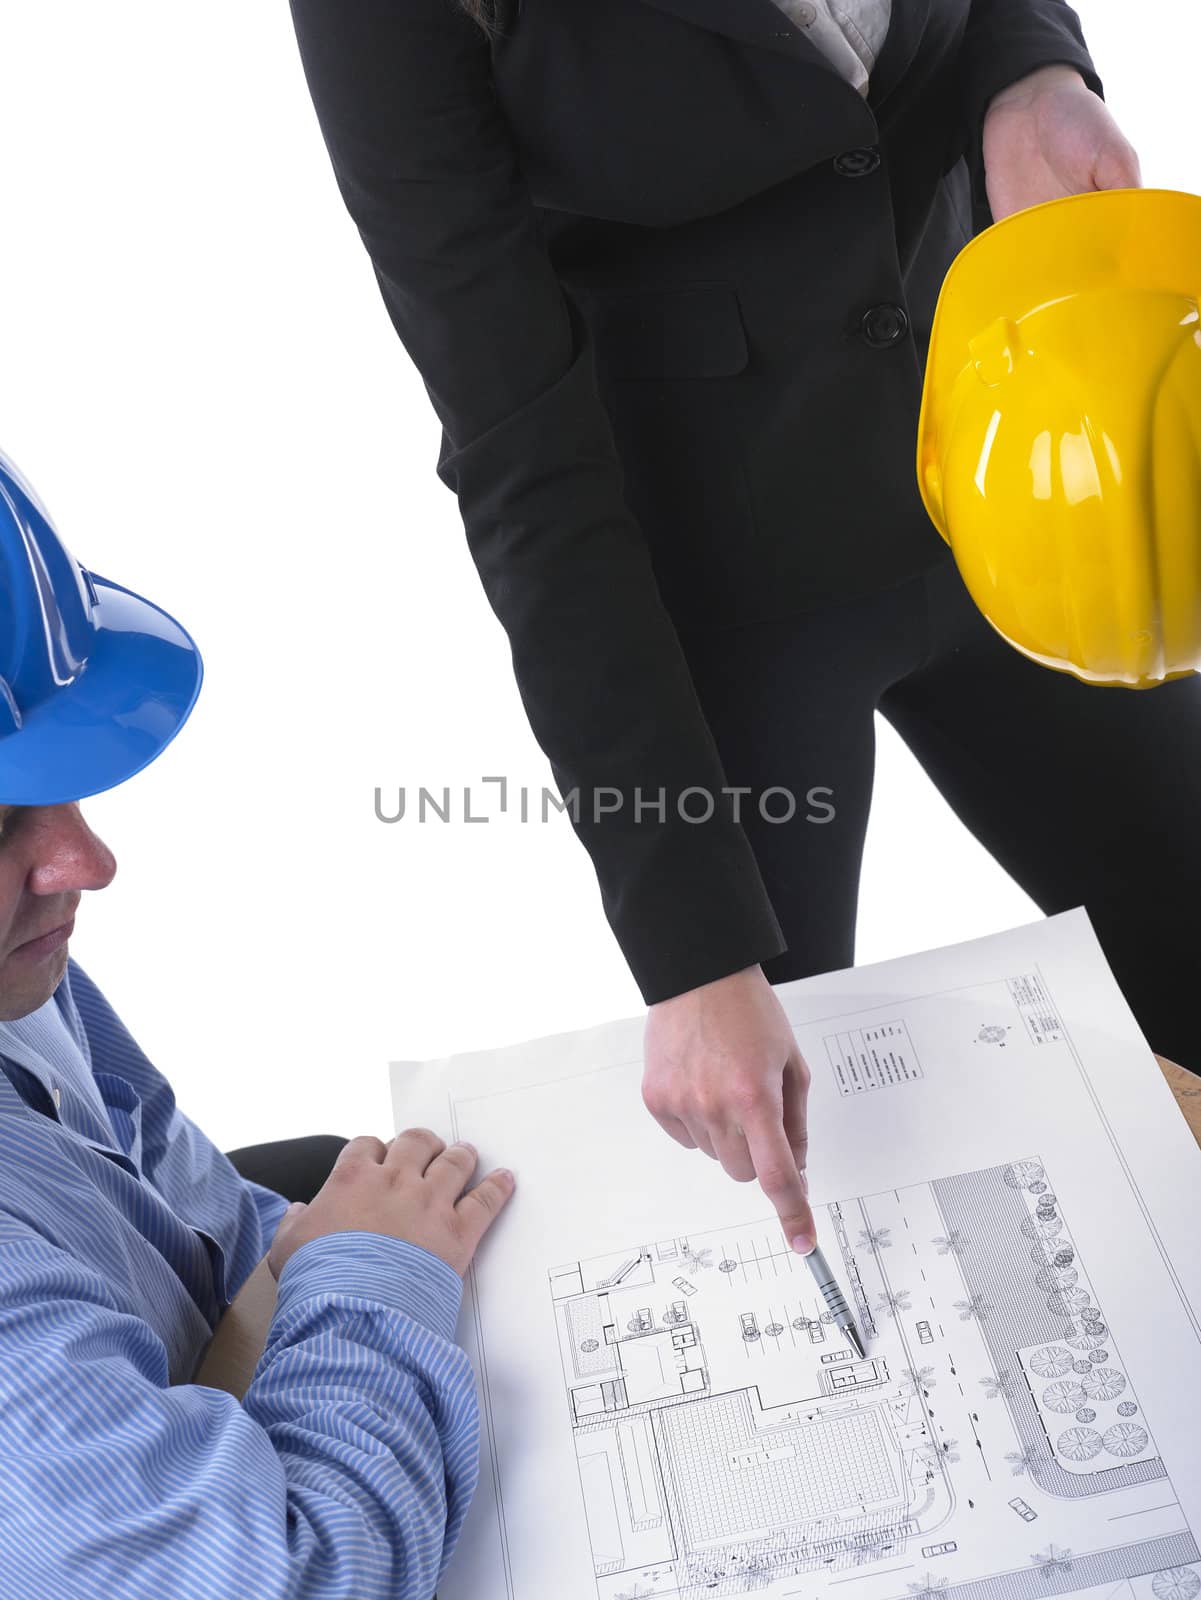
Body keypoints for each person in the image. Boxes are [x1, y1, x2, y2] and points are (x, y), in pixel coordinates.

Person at [283, 0, 1195, 1265]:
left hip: (1016, 448)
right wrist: (689, 950)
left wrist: (1028, 66)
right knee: (815, 1173)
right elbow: (517, 454)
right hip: (719, 576)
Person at [0, 445, 513, 1599]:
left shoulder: (10, 974)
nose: (88, 862)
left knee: (333, 1175)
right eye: (0, 831)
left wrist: (305, 1265)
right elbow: (299, 1578)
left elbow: (184, 1199)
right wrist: (374, 1280)